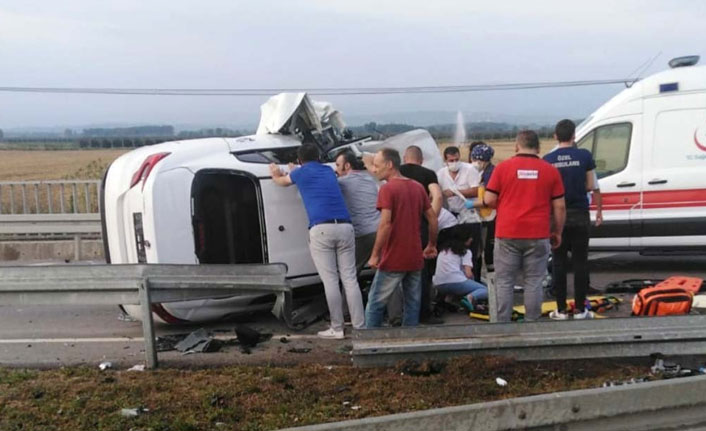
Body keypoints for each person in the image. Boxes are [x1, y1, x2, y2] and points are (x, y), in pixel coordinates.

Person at [269, 144, 364, 339]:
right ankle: (360, 326)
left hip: (321, 229)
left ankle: (337, 328)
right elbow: (307, 174)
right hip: (345, 226)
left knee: (330, 281)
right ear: (318, 157)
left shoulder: (300, 173)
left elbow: (281, 181)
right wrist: (296, 169)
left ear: (300, 160)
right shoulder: (329, 171)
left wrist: (274, 172)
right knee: (350, 279)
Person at [483, 130, 566, 322]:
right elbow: (560, 206)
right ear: (538, 148)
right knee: (534, 282)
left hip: (507, 232)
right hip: (538, 233)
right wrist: (557, 232)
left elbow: (489, 199)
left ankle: (502, 325)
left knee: (504, 281)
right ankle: (531, 324)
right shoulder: (550, 171)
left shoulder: (503, 168)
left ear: (516, 146)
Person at [365, 148, 438, 328]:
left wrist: (375, 254)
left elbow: (385, 224)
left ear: (389, 165)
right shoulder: (417, 187)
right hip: (415, 256)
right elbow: (432, 218)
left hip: (394, 257)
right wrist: (431, 244)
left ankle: (370, 344)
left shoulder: (387, 189)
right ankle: (408, 343)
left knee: (375, 303)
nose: (375, 169)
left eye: (377, 165)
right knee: (412, 304)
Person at [543, 119, 600, 320]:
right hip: (579, 214)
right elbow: (590, 185)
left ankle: (560, 308)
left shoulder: (547, 159)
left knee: (558, 262)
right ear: (574, 135)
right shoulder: (584, 155)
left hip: (557, 216)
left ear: (555, 136)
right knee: (580, 262)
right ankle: (580, 309)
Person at [437, 146, 483, 281]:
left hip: (470, 216)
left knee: (472, 253)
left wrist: (456, 192)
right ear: (445, 160)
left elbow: (475, 190)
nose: (454, 163)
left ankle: (475, 281)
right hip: (451, 218)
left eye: (457, 159)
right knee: (454, 252)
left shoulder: (469, 169)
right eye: (451, 160)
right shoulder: (441, 174)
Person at [334, 149, 380, 275]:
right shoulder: (370, 179)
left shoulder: (342, 182)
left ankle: (348, 296)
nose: (336, 170)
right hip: (380, 231)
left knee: (349, 274)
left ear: (347, 165)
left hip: (363, 234)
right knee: (383, 271)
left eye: (338, 165)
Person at [432, 224, 489, 312]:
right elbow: (468, 273)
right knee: (485, 290)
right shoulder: (465, 251)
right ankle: (469, 298)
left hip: (438, 284)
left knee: (457, 281)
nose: (472, 239)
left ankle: (448, 300)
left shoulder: (444, 250)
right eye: (470, 237)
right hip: (456, 282)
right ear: (464, 239)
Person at [467, 142, 497, 273]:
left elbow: (490, 199)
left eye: (474, 159)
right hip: (484, 216)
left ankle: (493, 283)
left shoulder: (491, 174)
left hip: (491, 217)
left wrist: (472, 204)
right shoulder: (483, 172)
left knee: (489, 251)